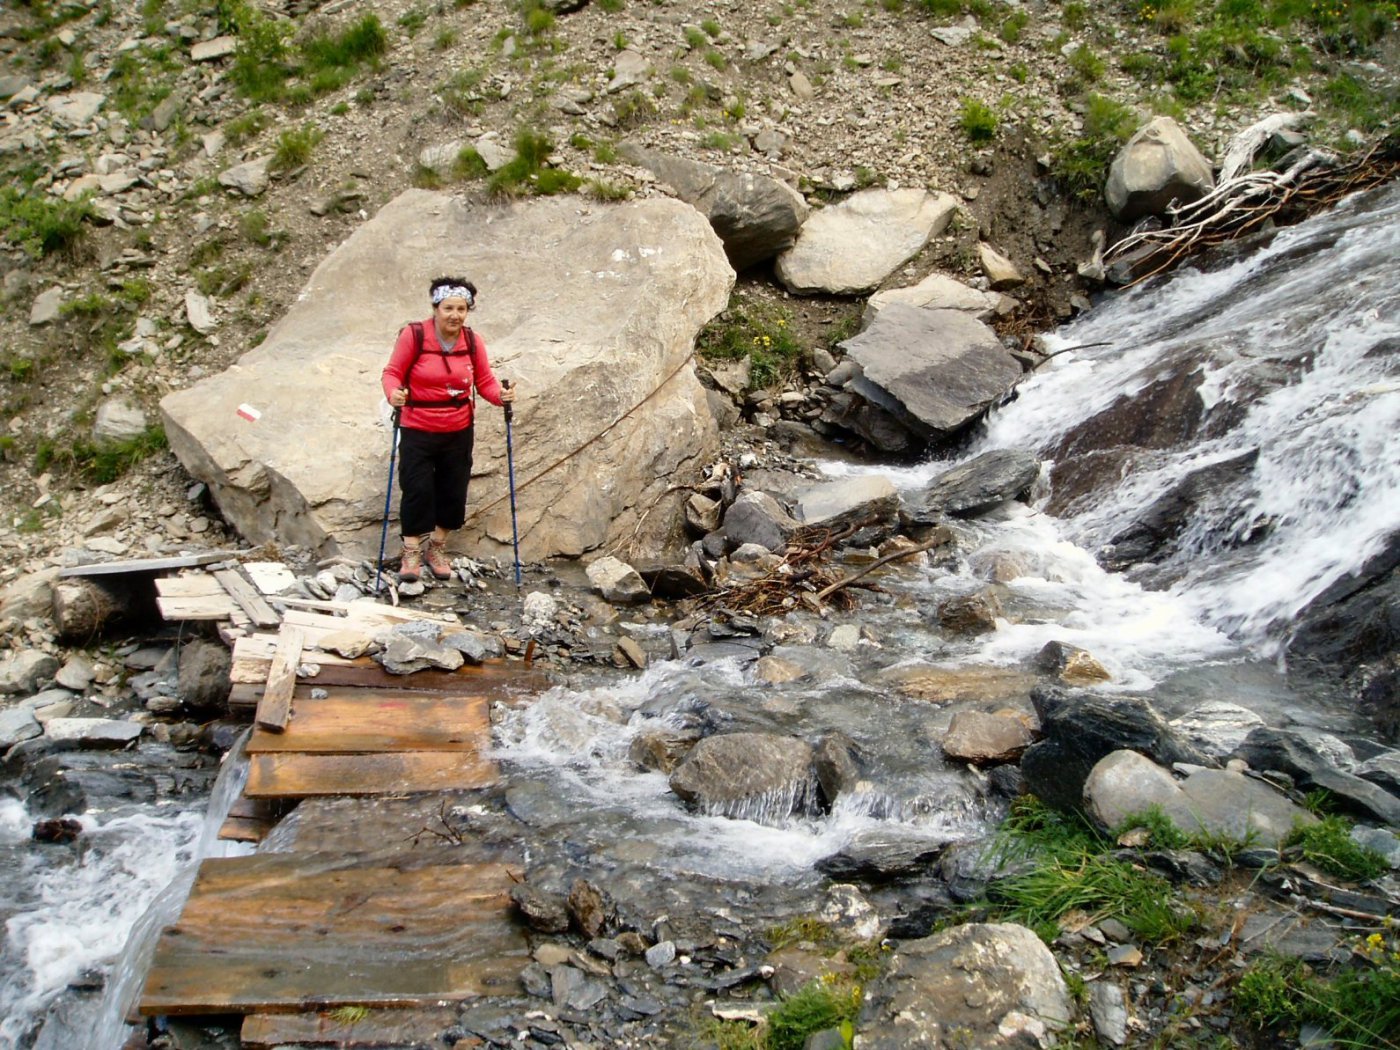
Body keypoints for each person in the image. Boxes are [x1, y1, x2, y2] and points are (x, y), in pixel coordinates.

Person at [381, 276, 515, 583]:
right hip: (417, 427)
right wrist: (394, 394)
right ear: (435, 308)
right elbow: (392, 373)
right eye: (448, 308)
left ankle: (437, 547)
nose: (455, 315)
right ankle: (412, 551)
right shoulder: (413, 336)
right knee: (416, 489)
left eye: (461, 308)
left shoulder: (471, 341)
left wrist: (500, 396)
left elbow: (484, 382)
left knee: (453, 491)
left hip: (458, 430)